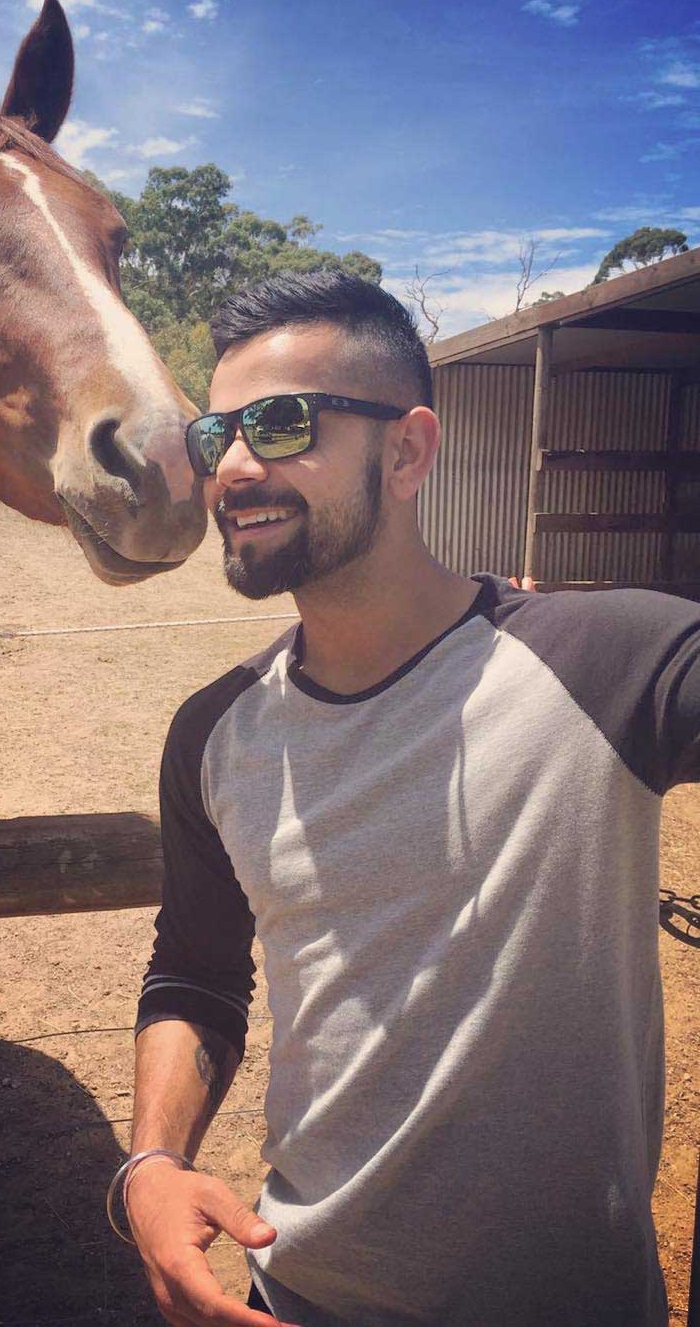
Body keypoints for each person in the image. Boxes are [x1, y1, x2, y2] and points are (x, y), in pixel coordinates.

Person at [114, 269, 696, 1326]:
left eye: (283, 424)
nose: (235, 466)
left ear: (410, 450)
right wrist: (151, 1164)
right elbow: (194, 977)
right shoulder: (214, 733)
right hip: (295, 1294)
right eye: (218, 435)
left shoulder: (610, 662)